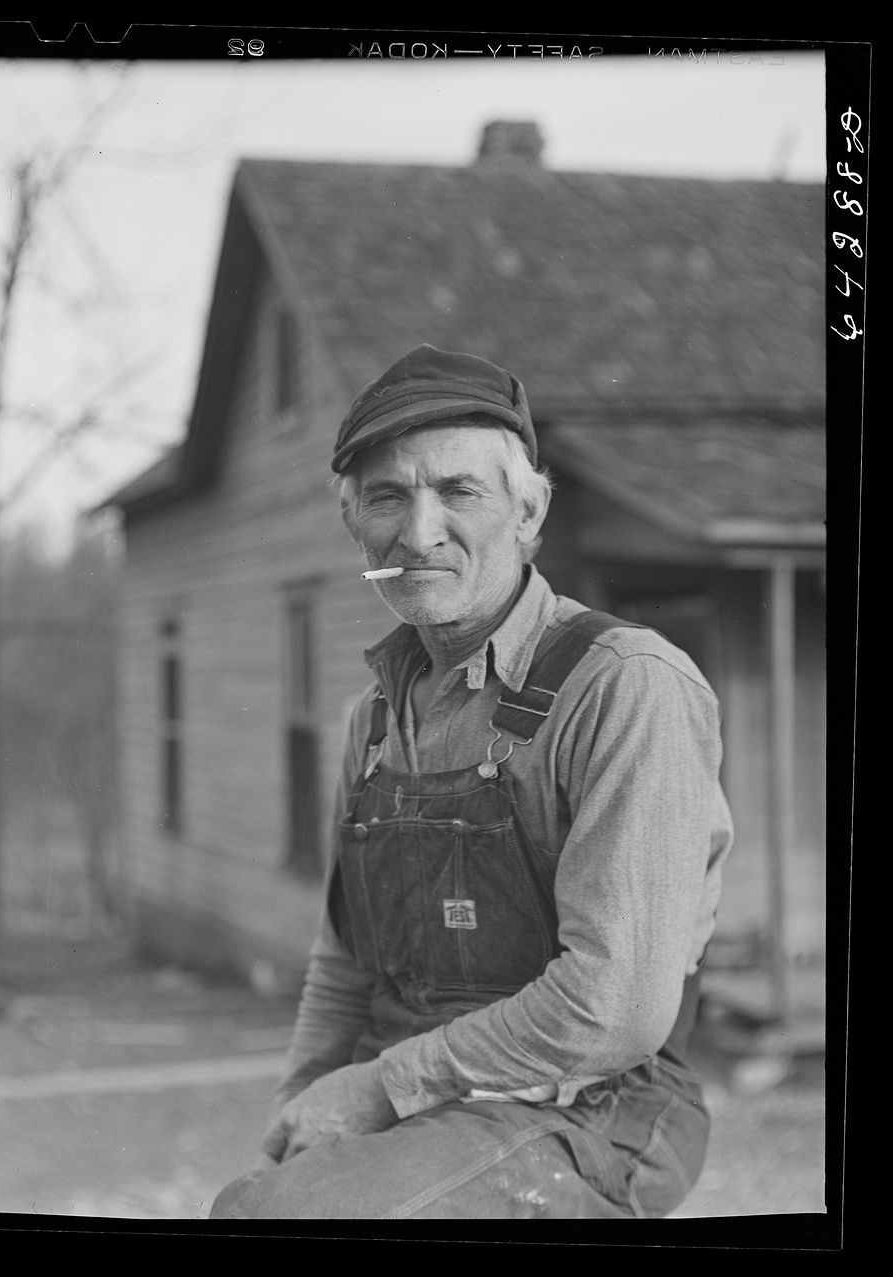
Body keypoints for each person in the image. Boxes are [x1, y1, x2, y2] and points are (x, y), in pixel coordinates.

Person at [209, 345, 733, 1221]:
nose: (418, 534)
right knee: (257, 1200)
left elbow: (618, 1007)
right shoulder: (370, 721)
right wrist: (302, 1104)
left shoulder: (626, 685)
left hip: (592, 1108)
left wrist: (379, 1087)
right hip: (417, 1102)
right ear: (356, 525)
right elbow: (344, 964)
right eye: (387, 496)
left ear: (527, 512)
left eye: (459, 491)